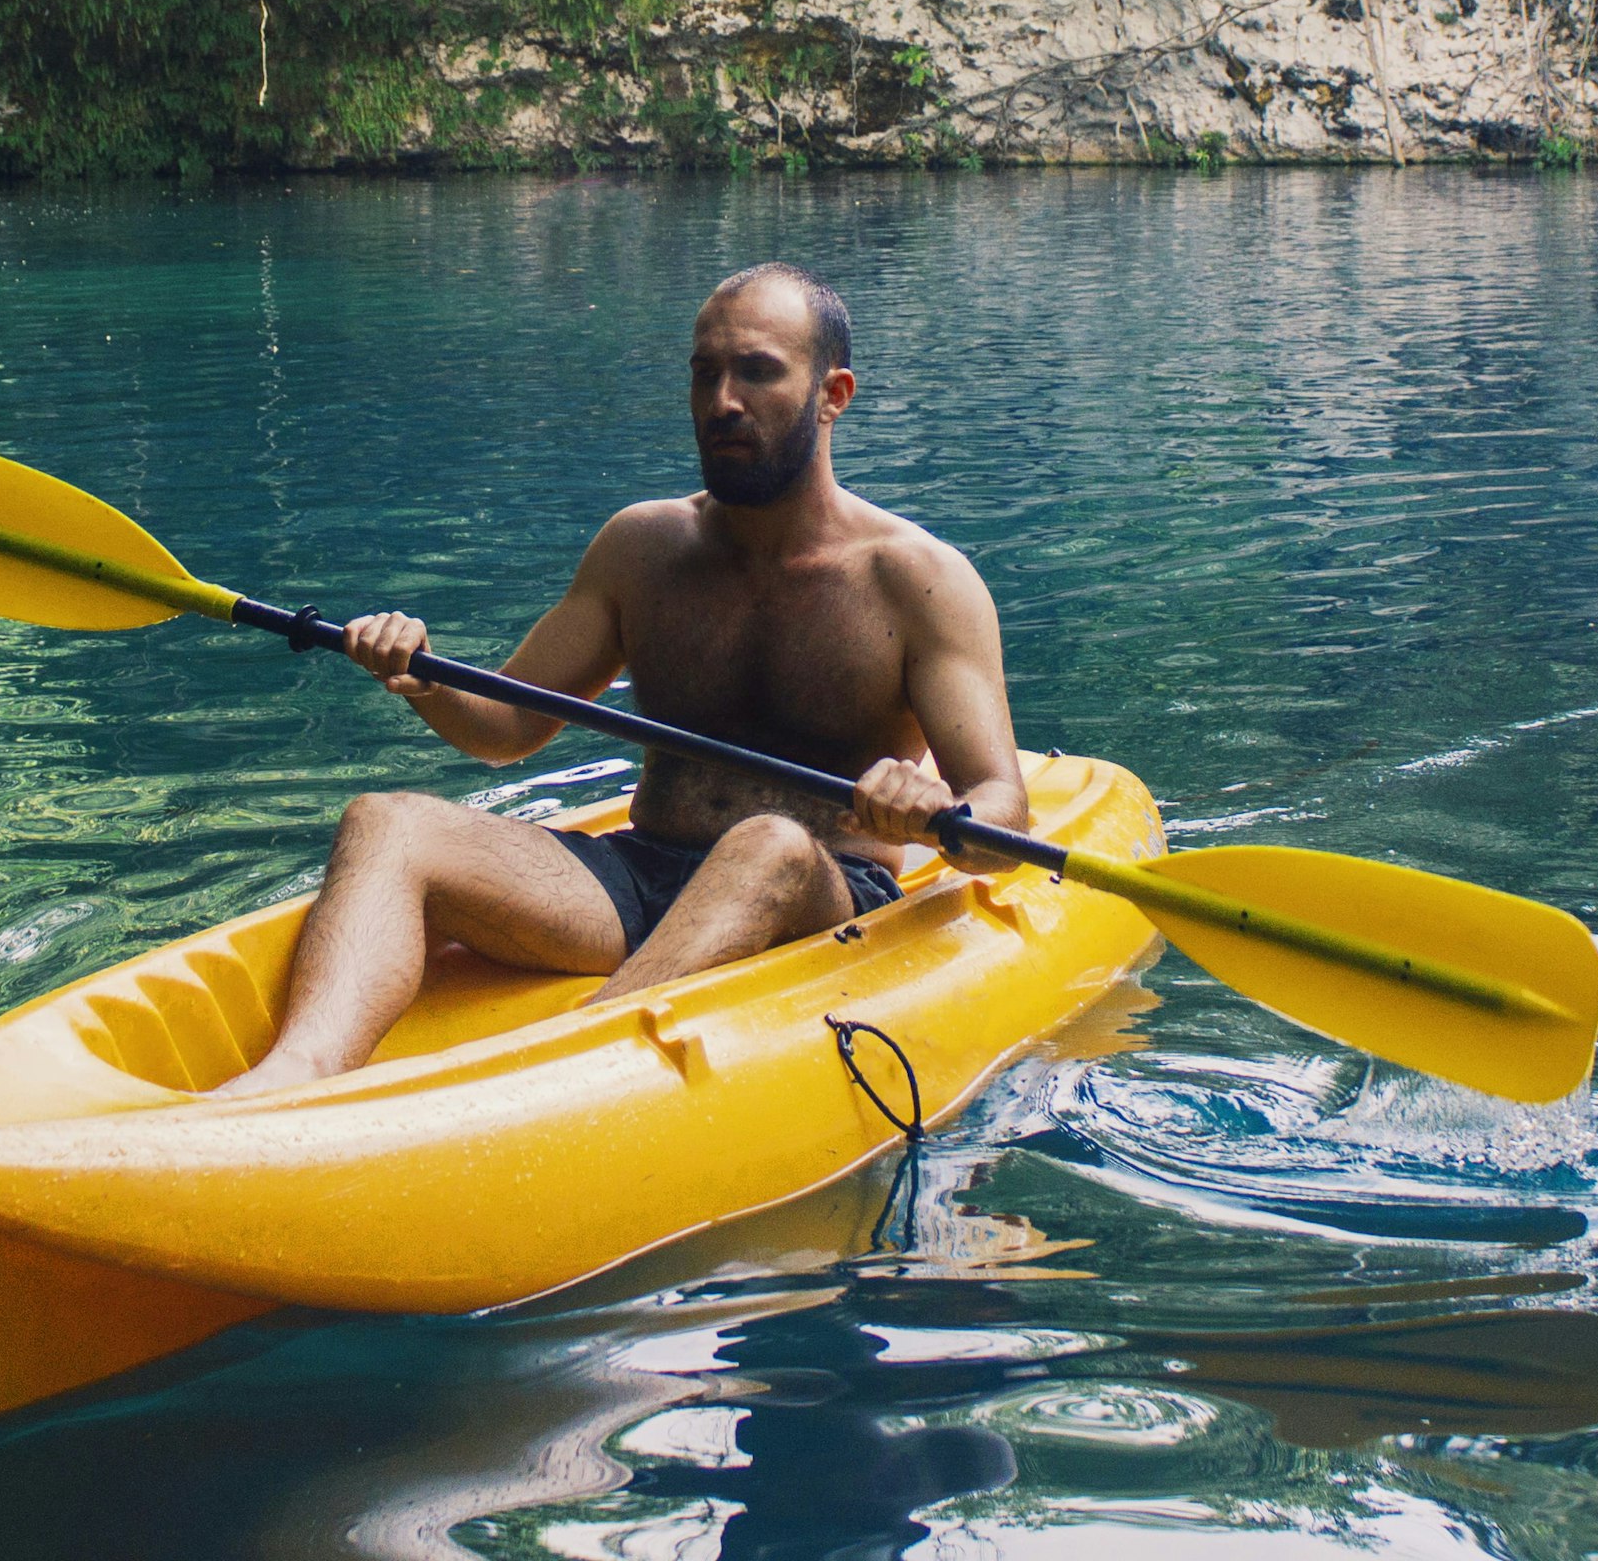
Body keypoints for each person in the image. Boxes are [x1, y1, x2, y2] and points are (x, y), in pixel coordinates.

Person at [212, 262, 1028, 1097]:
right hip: (638, 877)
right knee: (385, 821)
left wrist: (937, 813)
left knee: (771, 844)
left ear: (833, 394)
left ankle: (562, 1072)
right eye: (705, 372)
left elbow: (1004, 810)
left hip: (821, 895)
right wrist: (420, 674)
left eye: (756, 370)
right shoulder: (643, 548)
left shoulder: (919, 580)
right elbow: (508, 729)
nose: (723, 402)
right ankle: (291, 1077)